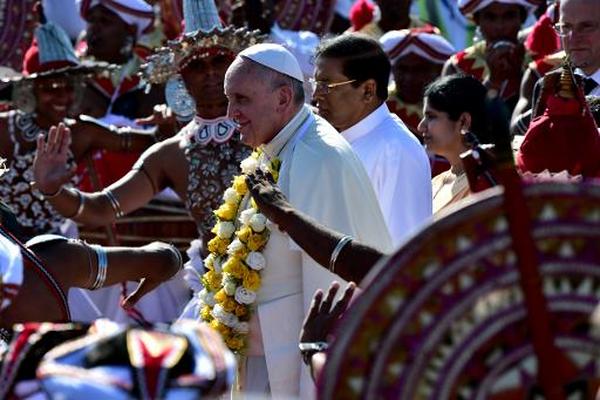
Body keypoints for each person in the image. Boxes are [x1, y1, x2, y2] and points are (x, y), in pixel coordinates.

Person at [33, 0, 264, 323]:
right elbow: (101, 208)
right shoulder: (170, 154)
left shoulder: (270, 127)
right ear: (181, 77)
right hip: (220, 291)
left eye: (220, 60)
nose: (211, 72)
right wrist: (55, 190)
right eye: (198, 65)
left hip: (285, 284)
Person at [195, 43, 392, 398]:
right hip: (262, 362)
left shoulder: (318, 158)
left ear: (283, 98)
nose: (230, 112)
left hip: (290, 372)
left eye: (240, 99)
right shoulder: (277, 146)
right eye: (229, 99)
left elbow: (329, 288)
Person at [0, 22, 157, 240]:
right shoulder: (4, 129)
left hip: (53, 246)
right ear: (29, 89)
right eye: (51, 88)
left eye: (69, 87)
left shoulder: (82, 132)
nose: (62, 97)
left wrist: (170, 126)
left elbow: (142, 141)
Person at [312, 34, 432, 245]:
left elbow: (403, 248)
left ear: (368, 90)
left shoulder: (396, 150)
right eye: (315, 83)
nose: (316, 95)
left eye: (326, 85)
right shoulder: (339, 138)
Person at [419, 75, 500, 214]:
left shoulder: (488, 181)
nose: (421, 126)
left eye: (431, 116)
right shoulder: (435, 182)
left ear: (463, 122)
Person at [443, 0, 541, 112]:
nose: (500, 26)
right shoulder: (457, 66)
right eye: (490, 17)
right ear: (477, 21)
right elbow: (451, 120)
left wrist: (520, 76)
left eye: (509, 16)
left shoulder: (540, 62)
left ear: (522, 18)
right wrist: (493, 82)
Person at [380, 28, 456, 136]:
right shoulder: (378, 107)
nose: (409, 78)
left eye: (420, 70)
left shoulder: (451, 111)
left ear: (439, 72)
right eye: (402, 69)